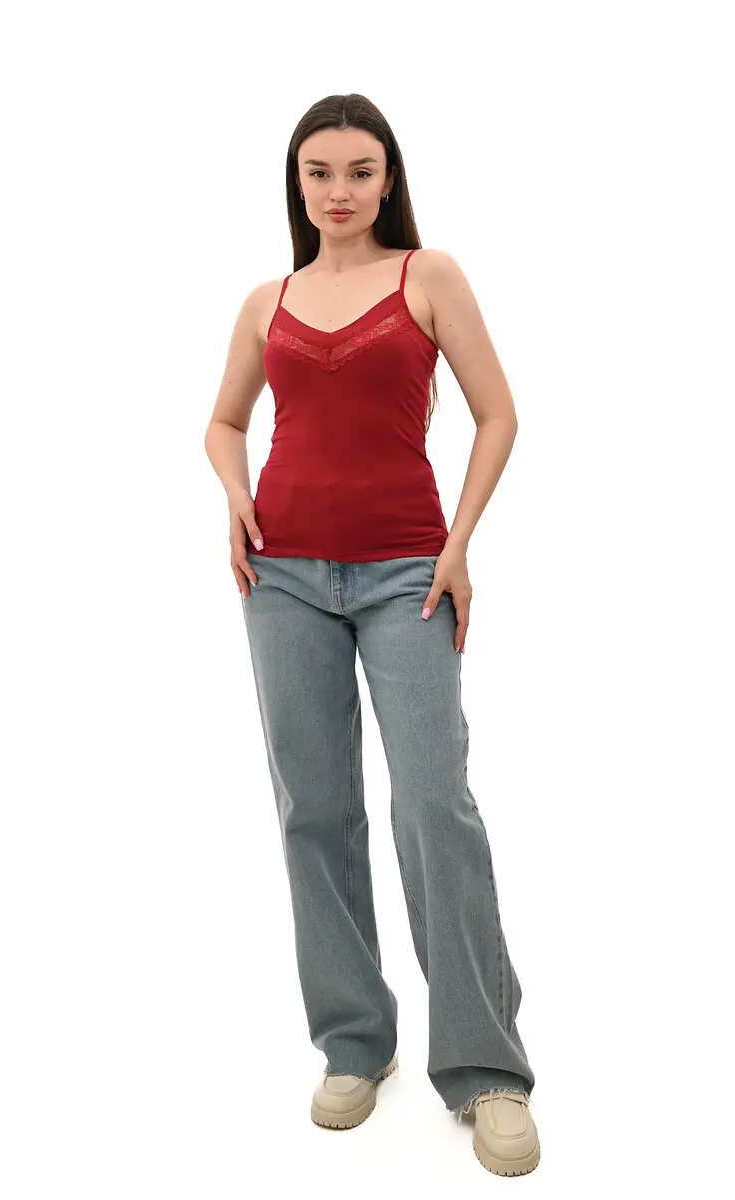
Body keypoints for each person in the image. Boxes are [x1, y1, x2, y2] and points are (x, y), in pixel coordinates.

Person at [204, 93, 540, 1177]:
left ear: (388, 178)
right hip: (282, 578)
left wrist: (458, 544)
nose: (339, 191)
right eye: (320, 173)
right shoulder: (267, 301)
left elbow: (498, 414)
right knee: (314, 808)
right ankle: (355, 1041)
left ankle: (485, 1065)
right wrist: (236, 495)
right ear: (297, 185)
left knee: (434, 803)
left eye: (360, 171)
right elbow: (223, 421)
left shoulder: (427, 276)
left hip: (409, 576)